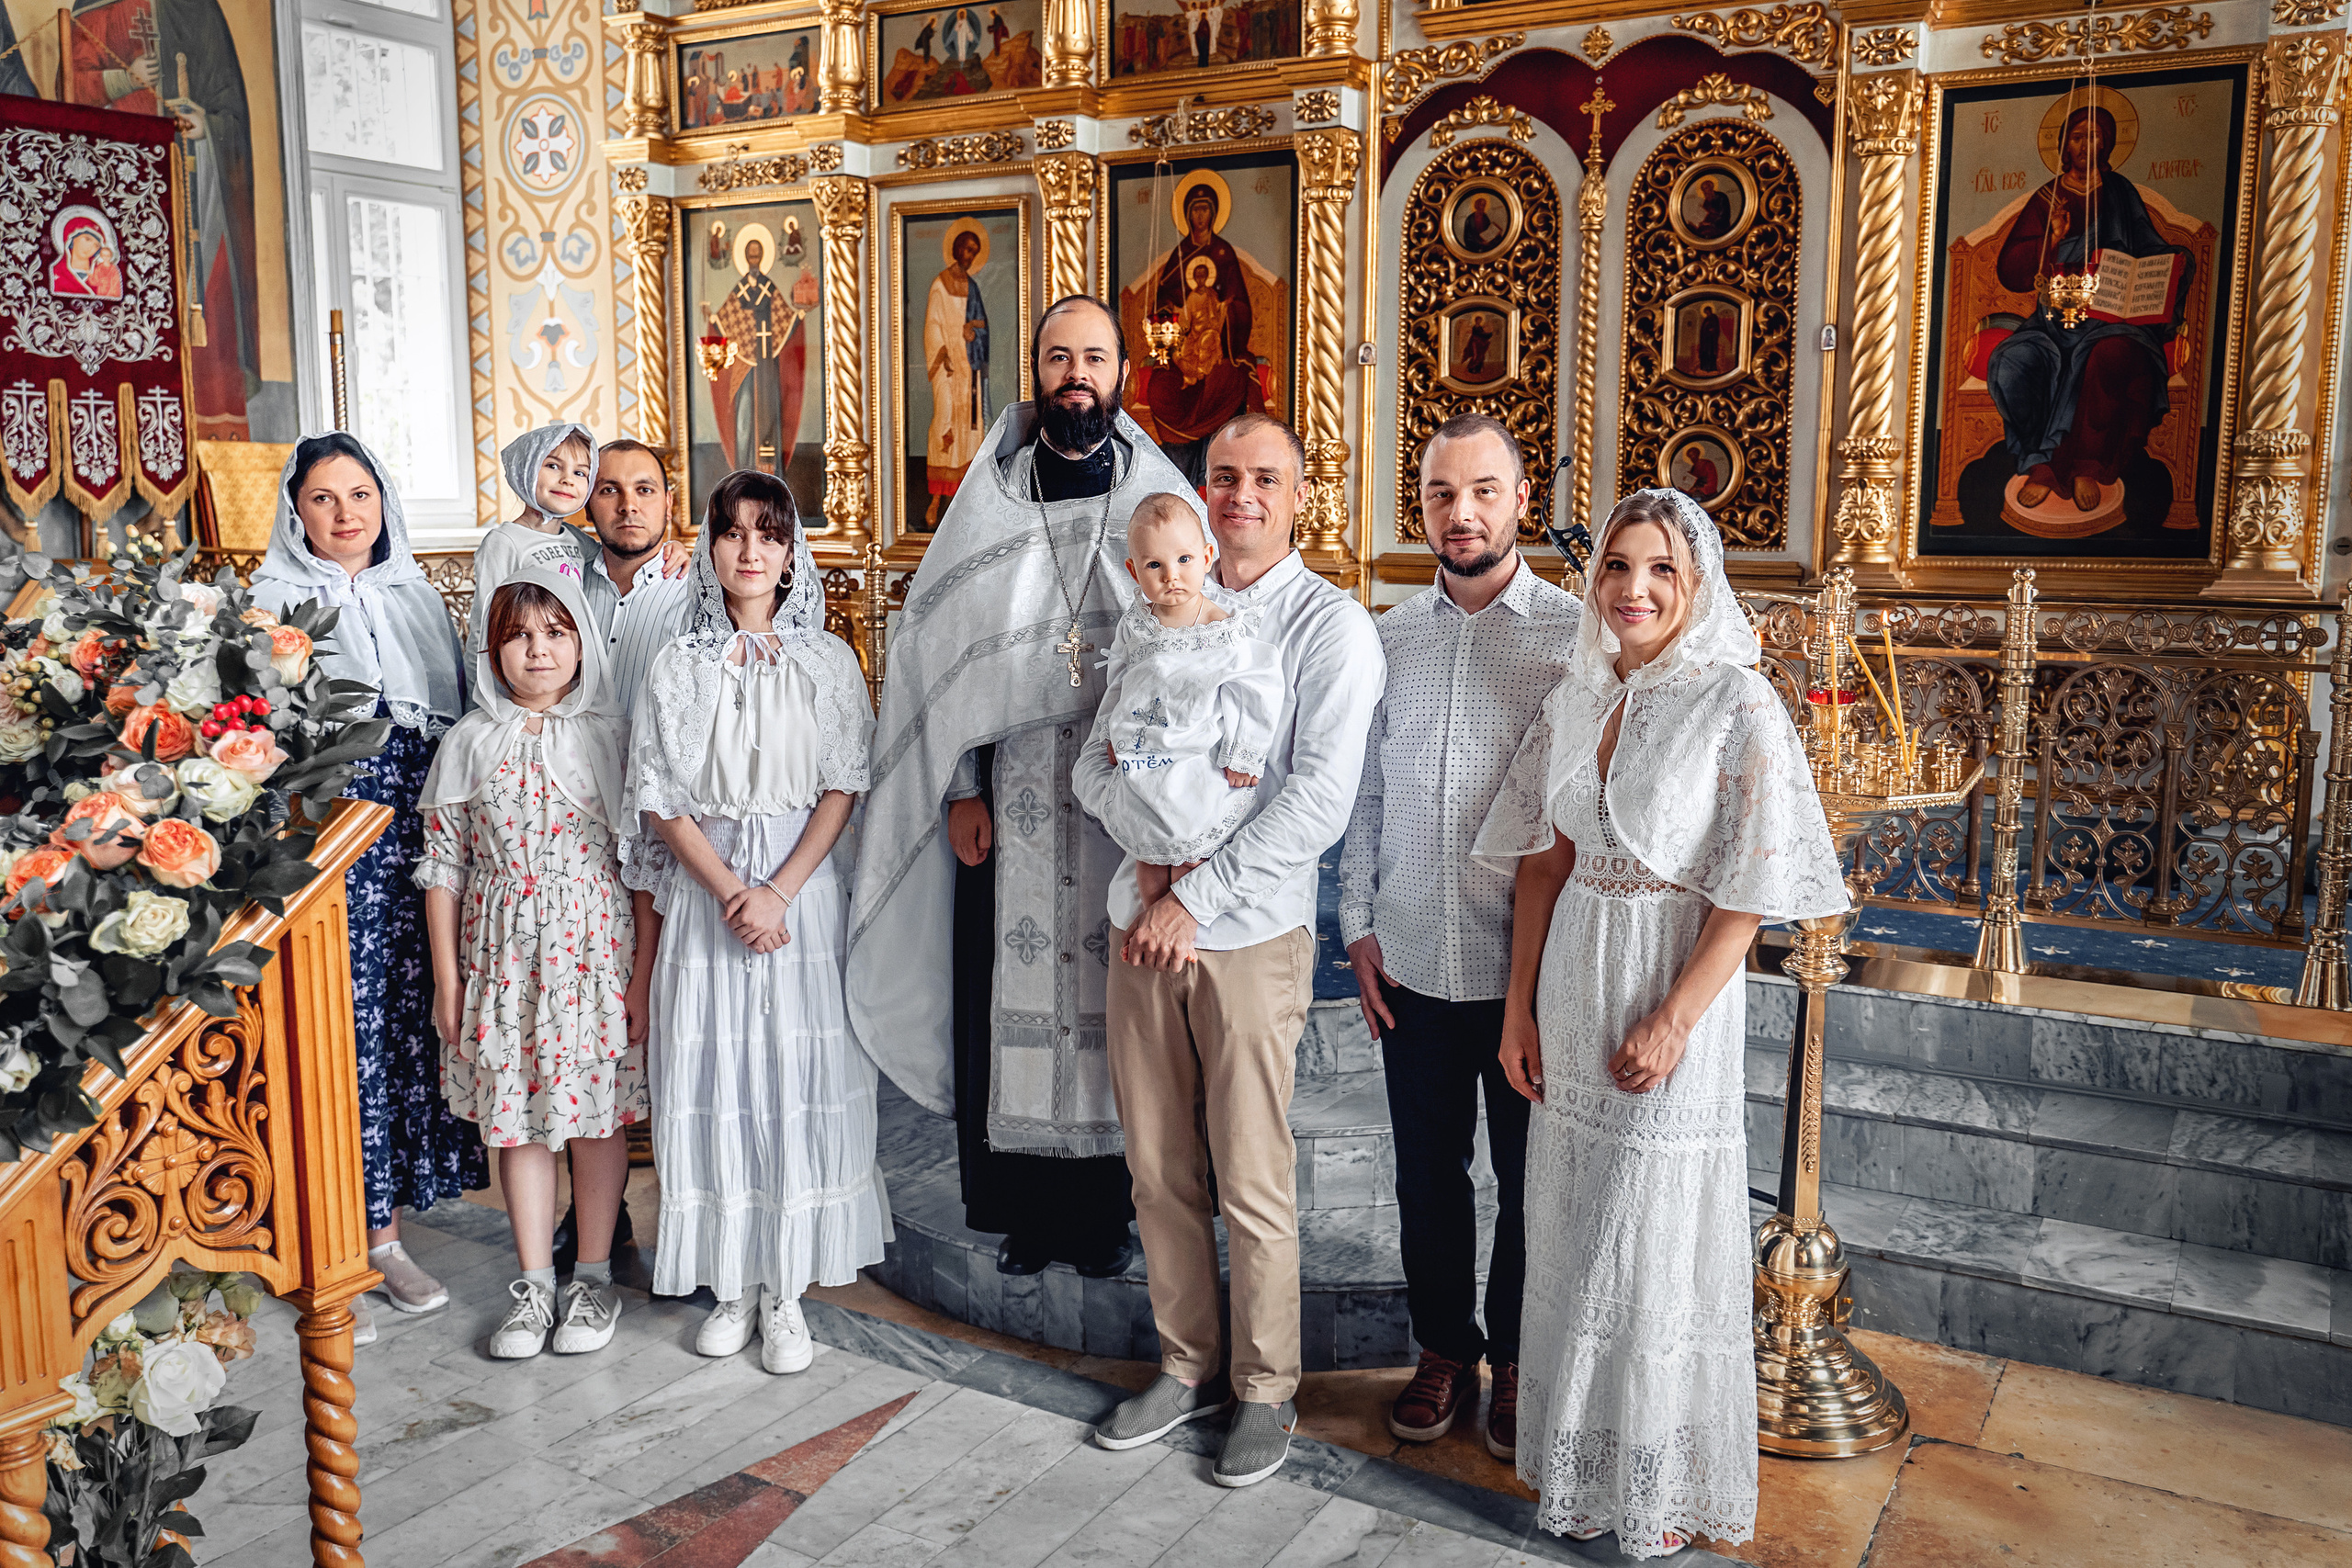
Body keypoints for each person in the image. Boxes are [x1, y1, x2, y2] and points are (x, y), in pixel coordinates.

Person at [1475, 489, 1847, 1557]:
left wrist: (1676, 1021)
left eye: (1660, 572)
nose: (1633, 590)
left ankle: (1654, 1487)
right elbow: (1543, 867)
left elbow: (1748, 891)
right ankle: (1578, 1471)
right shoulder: (1575, 697)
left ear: (1696, 585)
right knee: (1574, 1227)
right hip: (1572, 986)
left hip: (1669, 988)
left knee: (1643, 1243)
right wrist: (1517, 1011)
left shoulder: (1736, 703)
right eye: (1616, 567)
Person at [850, 296, 1202, 1280]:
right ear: (1034, 371)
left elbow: (1202, 647)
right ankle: (1018, 1210)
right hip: (1008, 800)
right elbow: (938, 662)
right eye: (1057, 357)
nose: (1074, 374)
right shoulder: (988, 503)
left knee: (1112, 1002)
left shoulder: (1160, 502)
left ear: (1123, 371)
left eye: (1093, 356)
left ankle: (1107, 1214)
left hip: (1118, 802)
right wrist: (959, 786)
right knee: (1006, 989)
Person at [1088, 413, 1383, 1490]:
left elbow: (1314, 798)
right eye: (1223, 476)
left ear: (1299, 495)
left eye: (1265, 478)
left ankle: (1264, 1388)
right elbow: (1103, 753)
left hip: (1248, 933)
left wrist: (1194, 894)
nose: (1241, 494)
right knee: (1158, 1163)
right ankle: (1185, 1365)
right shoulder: (1149, 611)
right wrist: (1145, 863)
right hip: (1141, 919)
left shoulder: (1327, 626)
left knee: (1250, 1171)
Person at [1339, 412, 1578, 1462]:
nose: (1461, 512)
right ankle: (1444, 1349)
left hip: (1529, 972)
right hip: (1416, 960)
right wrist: (1356, 925)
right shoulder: (1385, 636)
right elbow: (1365, 799)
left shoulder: (1575, 635)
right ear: (1421, 505)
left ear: (1520, 499)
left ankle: (1522, 1358)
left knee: (1531, 1180)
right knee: (1426, 1176)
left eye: (1483, 491)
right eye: (1441, 494)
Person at [622, 469, 891, 1373]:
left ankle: (785, 1292)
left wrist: (777, 890)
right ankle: (729, 1284)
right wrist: (731, 889)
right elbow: (659, 795)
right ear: (710, 546)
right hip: (708, 900)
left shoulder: (827, 662)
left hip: (800, 900)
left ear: (789, 552)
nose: (749, 550)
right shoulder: (677, 665)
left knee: (790, 1077)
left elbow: (844, 782)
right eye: (732, 532)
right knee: (719, 1077)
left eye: (767, 534)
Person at [251, 433, 476, 1347]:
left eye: (360, 494)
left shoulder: (417, 598)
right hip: (325, 844)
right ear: (294, 512)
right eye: (322, 499)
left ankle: (383, 1228)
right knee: (331, 1036)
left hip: (415, 841)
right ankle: (342, 1240)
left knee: (400, 1027)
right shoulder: (268, 606)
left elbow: (450, 727)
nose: (346, 514)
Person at [415, 570, 647, 1359]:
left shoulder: (610, 736)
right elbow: (444, 866)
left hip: (592, 953)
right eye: (518, 635)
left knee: (594, 1115)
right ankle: (533, 1285)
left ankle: (591, 1276)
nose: (538, 649)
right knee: (517, 1121)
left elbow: (641, 866)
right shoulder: (468, 742)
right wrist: (449, 980)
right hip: (501, 954)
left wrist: (640, 977)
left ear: (581, 641)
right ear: (493, 650)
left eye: (555, 631)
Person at [1073, 491, 1283, 916]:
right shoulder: (1138, 623)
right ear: (1134, 571)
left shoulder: (1223, 627)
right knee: (1149, 855)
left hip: (1195, 748)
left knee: (1189, 846)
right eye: (1155, 565)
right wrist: (1114, 732)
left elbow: (1256, 688)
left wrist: (1246, 752)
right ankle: (1152, 918)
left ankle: (1182, 921)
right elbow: (1121, 680)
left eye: (1184, 560)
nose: (1172, 575)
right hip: (1145, 747)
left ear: (1207, 556)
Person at [1987, 104, 2193, 513]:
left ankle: (2084, 464)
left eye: (2094, 136)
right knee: (2012, 359)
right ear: (2064, 145)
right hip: (2054, 318)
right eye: (2077, 137)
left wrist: (2174, 260)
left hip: (2114, 317)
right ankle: (2038, 460)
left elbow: (2149, 247)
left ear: (2108, 143)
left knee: (2108, 355)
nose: (2085, 144)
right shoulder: (2047, 197)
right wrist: (2052, 238)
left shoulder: (2120, 193)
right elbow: (2011, 271)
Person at [469, 424, 599, 675]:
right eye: (552, 466)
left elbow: (618, 565)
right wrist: (484, 693)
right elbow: (485, 623)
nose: (567, 480)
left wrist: (673, 551)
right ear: (526, 469)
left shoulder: (579, 541)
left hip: (566, 667)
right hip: (525, 668)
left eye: (580, 473)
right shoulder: (505, 541)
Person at [923, 229, 992, 525]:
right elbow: (932, 324)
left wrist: (972, 331)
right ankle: (935, 499)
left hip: (969, 366)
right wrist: (945, 355)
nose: (970, 256)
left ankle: (964, 500)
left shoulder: (973, 287)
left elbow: (981, 325)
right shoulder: (940, 284)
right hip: (947, 364)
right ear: (956, 250)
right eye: (967, 250)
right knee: (945, 422)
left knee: (970, 429)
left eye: (974, 252)